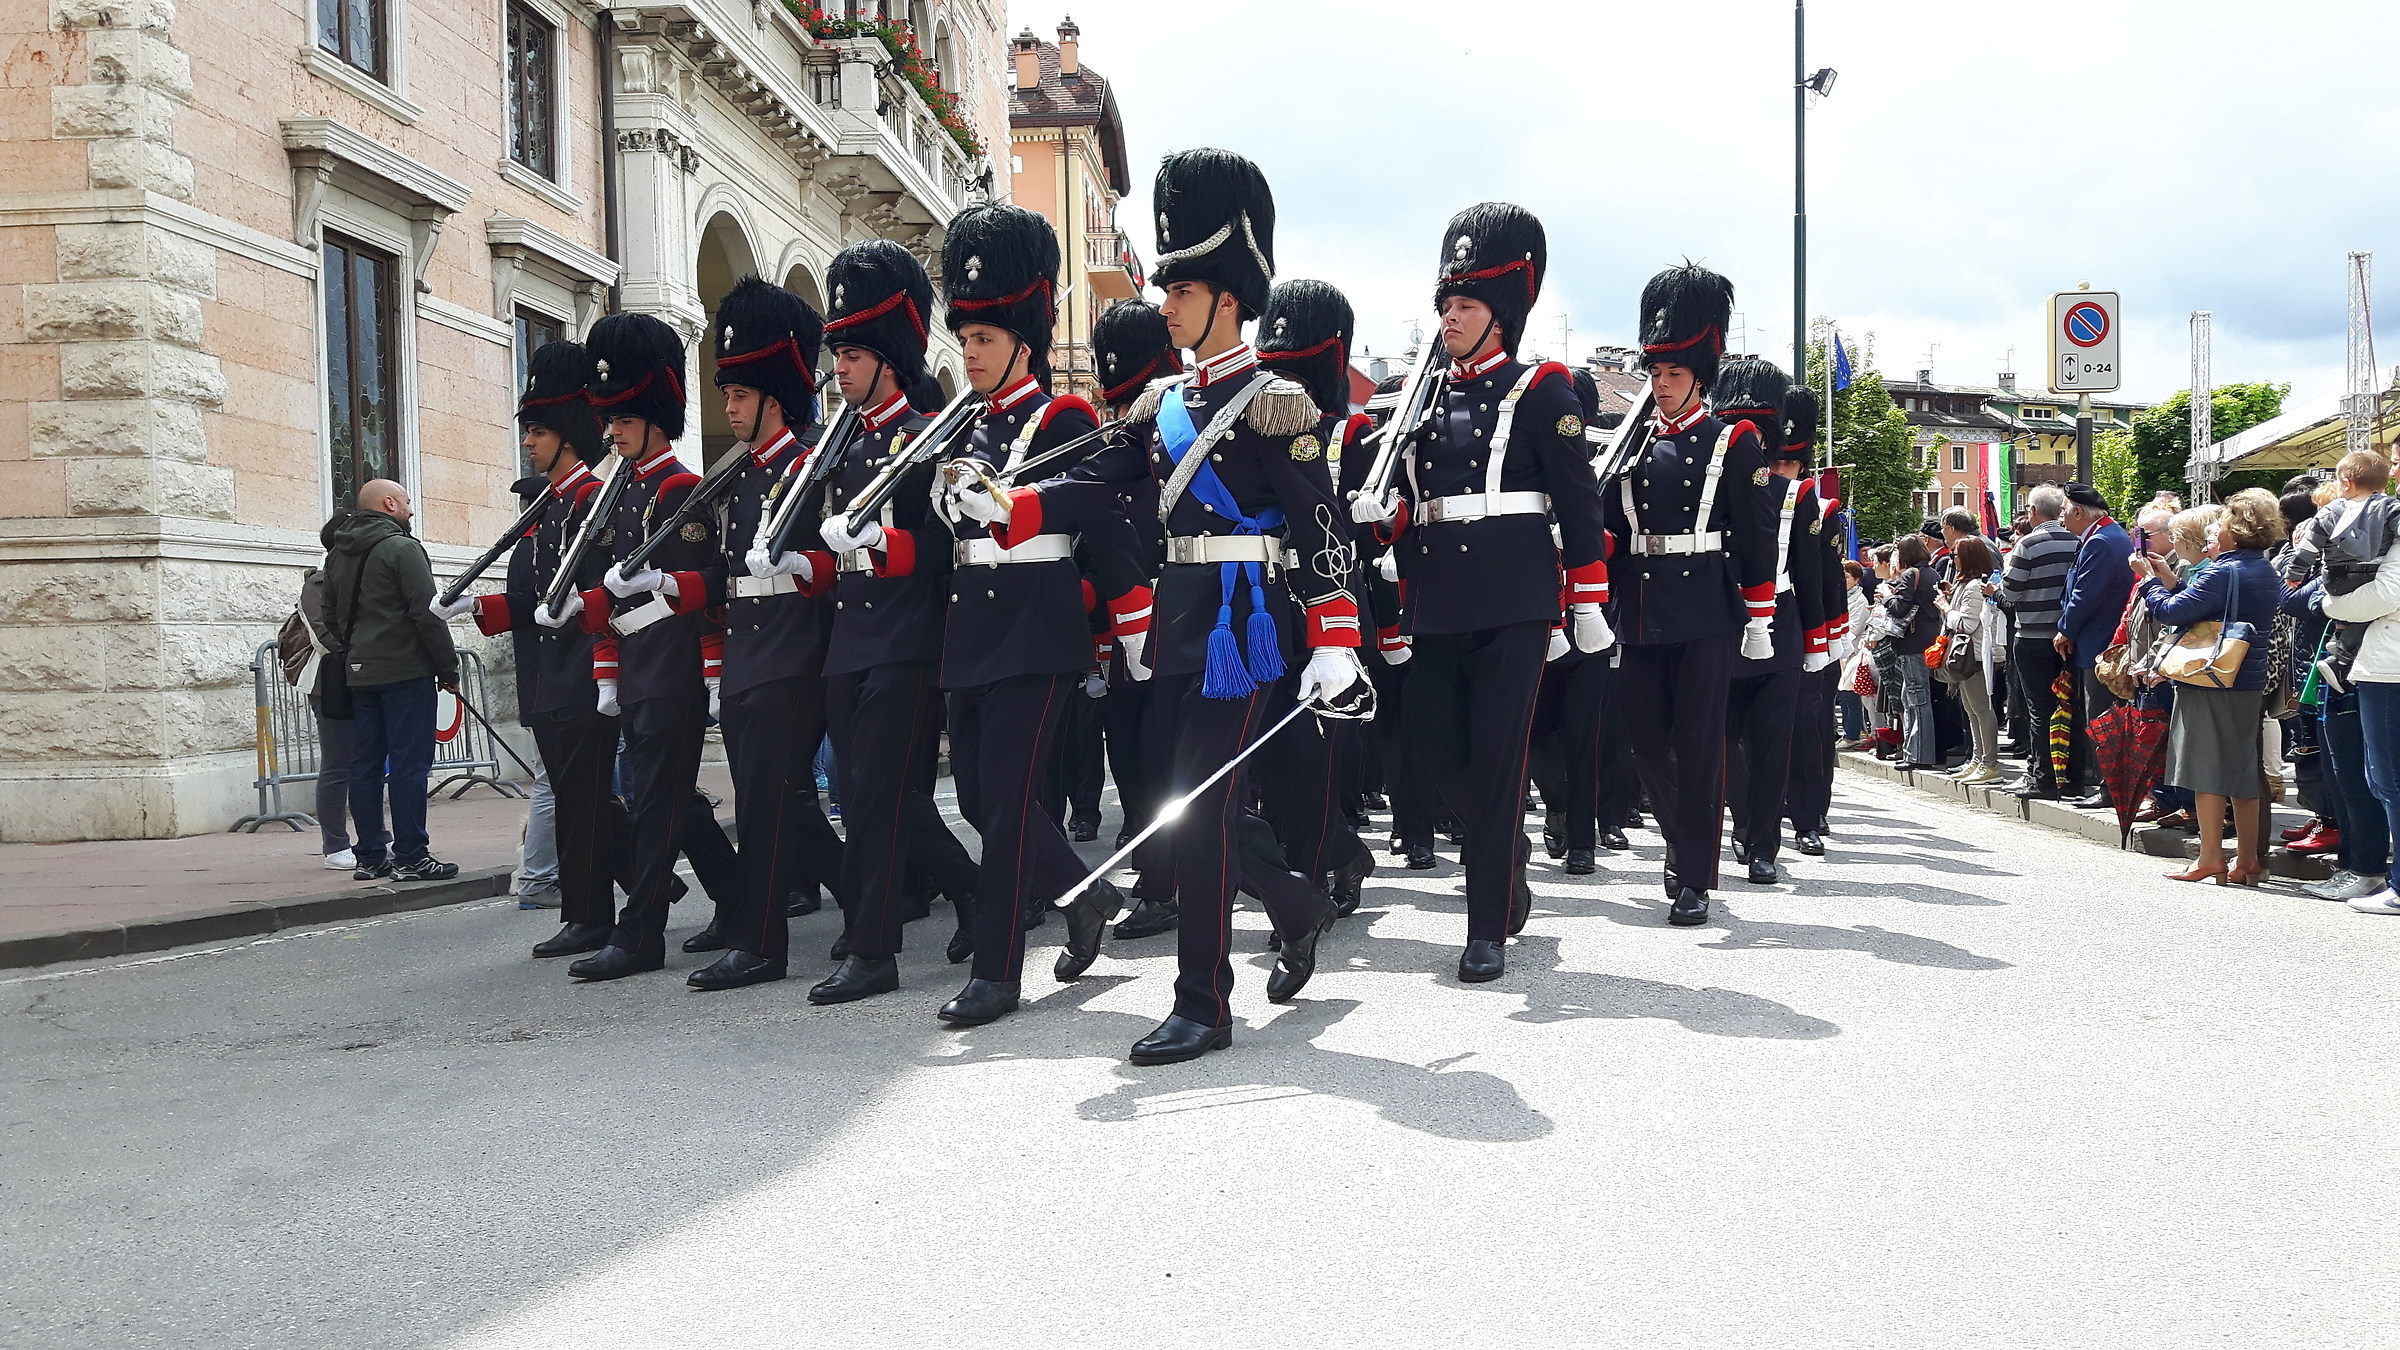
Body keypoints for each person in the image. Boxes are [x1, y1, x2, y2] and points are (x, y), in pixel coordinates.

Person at [1051, 148, 1360, 1061]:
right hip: (1182, 620)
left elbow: (1320, 524)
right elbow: (1097, 478)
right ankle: (1297, 906)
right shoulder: (1163, 403)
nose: (1165, 304)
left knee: (1200, 805)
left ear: (1227, 299)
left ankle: (1204, 1004)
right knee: (1185, 799)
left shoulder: (1276, 404)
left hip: (1247, 625)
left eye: (1181, 290)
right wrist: (1012, 504)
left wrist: (1335, 636)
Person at [1353, 201, 1609, 975]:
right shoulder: (1423, 400)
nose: (1450, 316)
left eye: (1465, 304)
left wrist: (1588, 599)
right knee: (1430, 748)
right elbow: (1415, 508)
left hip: (1515, 600)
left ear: (1501, 315)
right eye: (1446, 303)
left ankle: (1485, 926)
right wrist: (1384, 517)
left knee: (1498, 761)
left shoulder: (1542, 389)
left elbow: (1578, 502)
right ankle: (1508, 855)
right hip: (1439, 601)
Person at [920, 201, 1146, 1030]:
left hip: (1037, 627)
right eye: (965, 337)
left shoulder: (1064, 419)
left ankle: (997, 972)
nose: (970, 352)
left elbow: (1095, 508)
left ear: (1023, 340)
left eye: (984, 337)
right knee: (982, 798)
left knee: (1010, 801)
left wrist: (1133, 621)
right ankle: (1087, 897)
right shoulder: (965, 424)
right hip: (974, 628)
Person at [807, 238, 983, 1002]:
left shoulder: (926, 435)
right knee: (868, 792)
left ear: (888, 359)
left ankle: (872, 948)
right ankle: (972, 889)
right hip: (850, 636)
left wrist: (884, 543)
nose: (840, 368)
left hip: (908, 634)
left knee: (877, 795)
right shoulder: (842, 440)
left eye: (853, 354)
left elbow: (944, 544)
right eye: (839, 354)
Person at [663, 275, 847, 992]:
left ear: (774, 397)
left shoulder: (809, 467)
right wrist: (674, 586)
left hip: (796, 650)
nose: (730, 406)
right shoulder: (740, 477)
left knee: (767, 803)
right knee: (776, 799)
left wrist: (804, 566)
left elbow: (837, 560)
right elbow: (728, 575)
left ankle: (762, 942)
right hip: (748, 652)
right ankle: (871, 897)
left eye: (740, 394)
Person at [430, 341, 632, 956]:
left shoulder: (591, 503)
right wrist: (477, 607)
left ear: (568, 436)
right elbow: (533, 597)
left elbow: (599, 596)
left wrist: (601, 664)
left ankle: (590, 916)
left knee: (583, 804)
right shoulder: (549, 507)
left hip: (583, 674)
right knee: (577, 800)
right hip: (546, 677)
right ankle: (640, 889)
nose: (528, 442)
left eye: (539, 432)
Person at [1599, 263, 1778, 926]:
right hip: (1641, 609)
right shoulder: (1629, 445)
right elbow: (1611, 531)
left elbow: (1757, 535)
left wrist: (1759, 614)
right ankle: (1684, 842)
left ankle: (1695, 875)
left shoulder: (1734, 441)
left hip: (1705, 607)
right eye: (1656, 372)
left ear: (1699, 376)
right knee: (1645, 743)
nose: (1662, 384)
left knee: (1700, 747)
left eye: (1674, 373)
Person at [564, 312, 738, 981]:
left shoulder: (678, 488)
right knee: (670, 803)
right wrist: (591, 632)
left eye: (626, 418)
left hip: (673, 665)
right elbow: (609, 592)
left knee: (657, 806)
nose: (613, 430)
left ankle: (641, 933)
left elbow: (698, 595)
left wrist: (711, 673)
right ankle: (740, 899)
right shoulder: (625, 487)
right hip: (636, 666)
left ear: (656, 420)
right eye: (611, 418)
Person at [319, 478, 462, 883]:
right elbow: (428, 613)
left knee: (364, 764)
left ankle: (369, 856)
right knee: (408, 765)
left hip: (360, 672)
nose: (411, 510)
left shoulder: (338, 553)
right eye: (406, 502)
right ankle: (411, 855)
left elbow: (330, 613)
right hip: (406, 670)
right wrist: (448, 668)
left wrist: (356, 647)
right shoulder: (402, 548)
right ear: (389, 504)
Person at [2140, 489, 2285, 886]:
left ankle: (2210, 858)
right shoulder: (2264, 568)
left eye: (2219, 525)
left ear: (2235, 531)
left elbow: (2173, 612)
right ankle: (2248, 859)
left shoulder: (2222, 570)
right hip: (2248, 678)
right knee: (2242, 770)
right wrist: (2171, 581)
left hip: (2211, 676)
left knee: (2206, 771)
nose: (2213, 532)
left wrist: (2151, 583)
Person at [2055, 482, 2136, 807]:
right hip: (2101, 641)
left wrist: (2065, 630)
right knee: (2103, 717)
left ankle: (2109, 789)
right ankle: (2108, 786)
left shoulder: (2101, 541)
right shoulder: (2107, 535)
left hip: (2099, 644)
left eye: (2064, 511)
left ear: (2078, 511)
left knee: (2101, 718)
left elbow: (2085, 595)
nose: (2061, 518)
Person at [1938, 534, 2004, 784]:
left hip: (1975, 655)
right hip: (1969, 654)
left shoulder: (1975, 586)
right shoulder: (1967, 585)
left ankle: (1990, 763)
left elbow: (1967, 624)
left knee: (1982, 710)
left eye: (1955, 555)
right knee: (1971, 710)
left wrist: (1946, 608)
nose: (1952, 559)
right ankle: (1978, 759)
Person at [1883, 533, 1942, 769]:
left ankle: (1918, 755)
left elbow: (1899, 608)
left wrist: (1887, 598)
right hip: (1930, 640)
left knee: (1916, 700)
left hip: (1912, 643)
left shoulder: (1910, 574)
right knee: (1914, 697)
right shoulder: (1932, 573)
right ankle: (1914, 751)